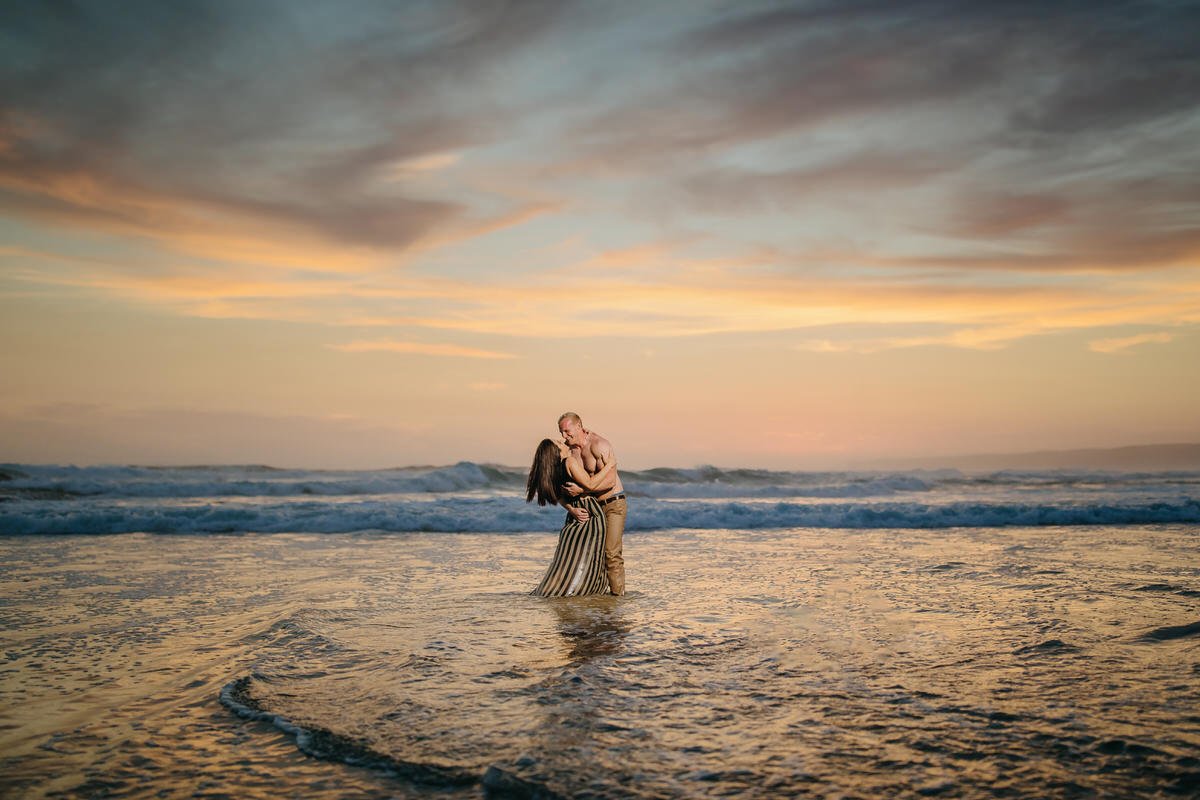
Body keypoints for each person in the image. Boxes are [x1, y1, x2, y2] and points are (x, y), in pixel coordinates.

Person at [526, 438, 618, 597]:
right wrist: (610, 465)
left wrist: (571, 509)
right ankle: (588, 589)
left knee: (572, 557)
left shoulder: (554, 469)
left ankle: (563, 588)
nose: (563, 441)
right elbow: (590, 484)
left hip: (575, 514)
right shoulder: (569, 462)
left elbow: (557, 495)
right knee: (594, 555)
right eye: (559, 443)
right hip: (591, 512)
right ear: (557, 451)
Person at [557, 412, 627, 595]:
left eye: (567, 431)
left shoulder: (599, 445)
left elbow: (610, 482)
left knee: (611, 554)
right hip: (592, 508)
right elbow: (555, 487)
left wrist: (583, 490)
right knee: (589, 555)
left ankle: (617, 599)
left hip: (613, 504)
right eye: (561, 432)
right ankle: (594, 596)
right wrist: (571, 508)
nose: (564, 436)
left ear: (579, 426)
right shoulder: (567, 450)